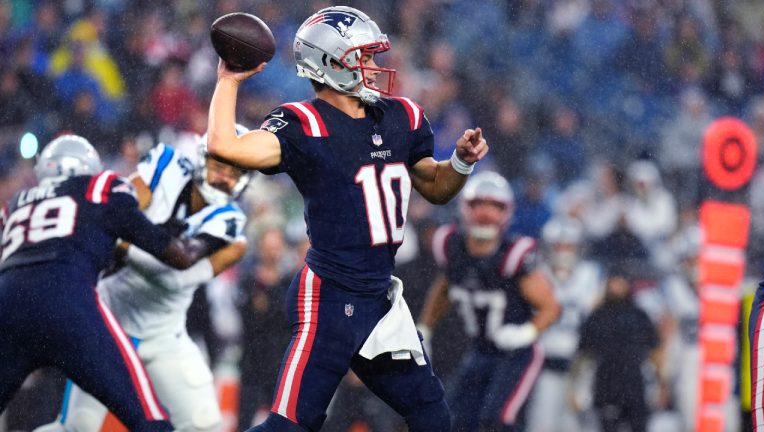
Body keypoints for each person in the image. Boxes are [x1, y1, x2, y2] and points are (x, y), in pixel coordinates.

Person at [206, 6, 488, 432]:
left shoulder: (401, 117)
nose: (375, 68)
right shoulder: (303, 123)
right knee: (289, 426)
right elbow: (226, 146)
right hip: (329, 298)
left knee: (433, 416)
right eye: (364, 57)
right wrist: (228, 80)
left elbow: (433, 184)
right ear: (330, 63)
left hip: (379, 298)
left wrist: (461, 164)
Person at [36, 132, 253, 432]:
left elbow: (176, 274)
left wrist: (125, 247)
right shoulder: (168, 168)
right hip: (109, 321)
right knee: (78, 427)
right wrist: (130, 242)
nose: (223, 178)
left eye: (234, 172)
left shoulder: (232, 228)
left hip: (163, 333)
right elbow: (122, 211)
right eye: (220, 166)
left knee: (204, 424)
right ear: (201, 158)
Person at [0, 135, 211, 432]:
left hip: (7, 303)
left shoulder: (15, 205)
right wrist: (199, 243)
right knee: (148, 417)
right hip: (67, 299)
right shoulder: (100, 187)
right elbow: (174, 254)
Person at [418, 170, 561, 432]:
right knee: (456, 421)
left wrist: (526, 332)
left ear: (506, 212)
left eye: (495, 207)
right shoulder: (451, 246)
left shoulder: (514, 254)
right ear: (465, 208)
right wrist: (425, 327)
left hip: (517, 355)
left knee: (497, 421)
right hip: (480, 350)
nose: (485, 214)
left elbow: (551, 307)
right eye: (478, 205)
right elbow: (443, 289)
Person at [525, 215, 604, 432]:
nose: (563, 253)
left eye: (568, 246)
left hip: (581, 367)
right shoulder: (536, 274)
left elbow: (596, 321)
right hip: (545, 366)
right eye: (558, 246)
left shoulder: (590, 275)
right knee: (542, 424)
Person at [569, 267, 664, 432]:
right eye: (613, 282)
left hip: (635, 388)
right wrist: (574, 388)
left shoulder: (639, 316)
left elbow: (655, 351)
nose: (617, 286)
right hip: (605, 388)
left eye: (621, 282)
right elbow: (583, 354)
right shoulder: (597, 316)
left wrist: (662, 384)